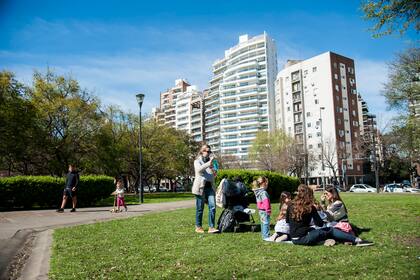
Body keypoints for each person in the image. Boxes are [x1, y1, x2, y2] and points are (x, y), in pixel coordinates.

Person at [286, 184, 373, 246]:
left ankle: (325, 241)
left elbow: (287, 221)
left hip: (293, 239)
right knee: (330, 230)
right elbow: (320, 224)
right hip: (304, 237)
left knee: (318, 231)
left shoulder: (290, 205)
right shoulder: (310, 207)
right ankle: (357, 240)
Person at [192, 144, 219, 234]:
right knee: (200, 208)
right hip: (200, 188)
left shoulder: (211, 163)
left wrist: (214, 170)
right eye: (206, 151)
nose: (208, 153)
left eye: (209, 151)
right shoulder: (197, 161)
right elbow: (199, 170)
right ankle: (198, 226)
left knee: (213, 207)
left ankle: (211, 227)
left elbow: (212, 175)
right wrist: (209, 164)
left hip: (210, 188)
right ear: (201, 151)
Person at [253, 177, 271, 241]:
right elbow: (266, 202)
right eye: (267, 184)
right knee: (266, 223)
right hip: (264, 210)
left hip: (261, 210)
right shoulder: (263, 192)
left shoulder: (258, 191)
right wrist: (268, 210)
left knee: (263, 223)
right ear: (264, 184)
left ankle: (264, 235)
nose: (267, 185)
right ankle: (266, 236)